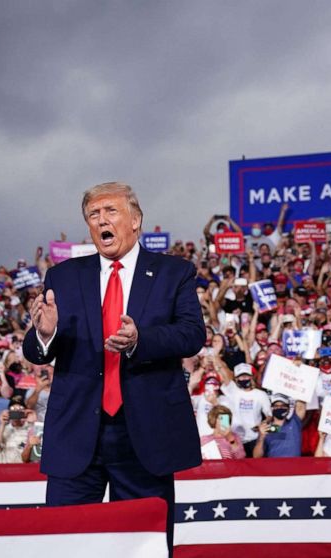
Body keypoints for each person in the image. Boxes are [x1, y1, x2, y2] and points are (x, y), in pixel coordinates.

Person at [22, 182, 205, 551]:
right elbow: (37, 351)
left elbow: (191, 334)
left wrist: (141, 340)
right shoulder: (63, 276)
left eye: (111, 211)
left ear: (135, 220)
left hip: (144, 435)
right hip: (76, 434)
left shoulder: (173, 272)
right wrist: (46, 332)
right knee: (66, 544)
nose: (101, 220)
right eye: (94, 214)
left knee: (144, 545)